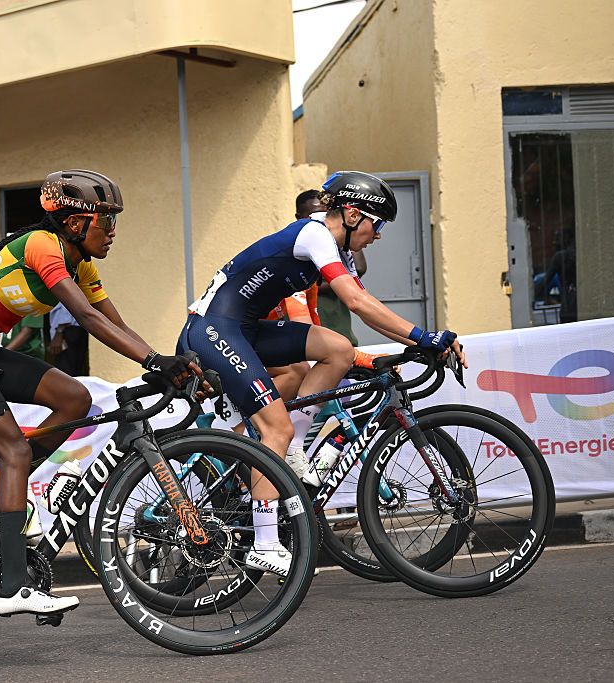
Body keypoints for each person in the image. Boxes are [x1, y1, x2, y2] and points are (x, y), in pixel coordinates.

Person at [0, 169, 200, 617]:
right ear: (74, 223)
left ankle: (12, 475)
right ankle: (11, 586)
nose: (112, 233)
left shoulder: (80, 264)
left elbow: (115, 324)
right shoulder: (41, 246)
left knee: (74, 399)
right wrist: (150, 361)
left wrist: (164, 362)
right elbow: (87, 318)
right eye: (105, 223)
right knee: (13, 451)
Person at [179, 171, 466, 576]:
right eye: (376, 224)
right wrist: (424, 335)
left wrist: (418, 343)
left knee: (338, 350)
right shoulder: (314, 236)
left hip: (243, 329)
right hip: (211, 329)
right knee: (273, 430)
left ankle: (290, 447)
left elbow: (362, 302)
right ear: (351, 214)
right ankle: (264, 541)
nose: (378, 235)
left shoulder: (336, 248)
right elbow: (354, 300)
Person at [299, 189, 369, 345]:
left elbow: (359, 268)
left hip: (338, 326)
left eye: (326, 214)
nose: (322, 220)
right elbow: (301, 286)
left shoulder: (337, 240)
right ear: (299, 218)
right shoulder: (301, 242)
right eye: (314, 215)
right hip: (306, 330)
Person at [48, 302, 89, 376]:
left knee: (65, 372)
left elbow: (67, 306)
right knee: (72, 370)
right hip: (70, 329)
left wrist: (59, 332)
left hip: (66, 330)